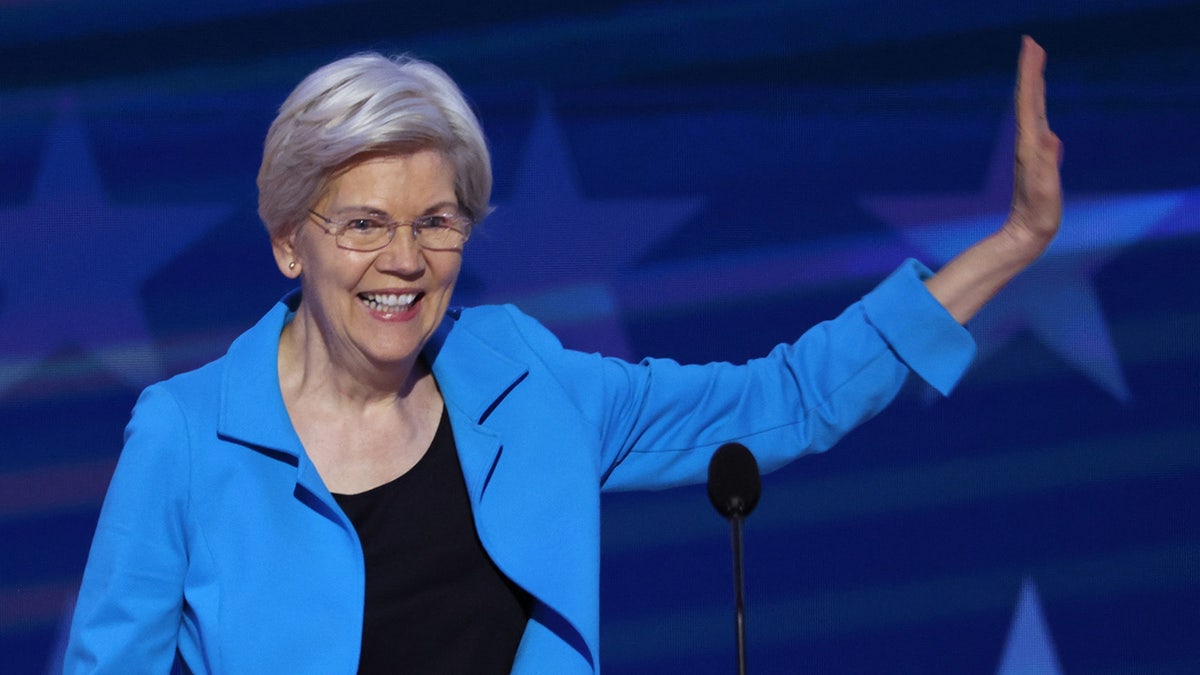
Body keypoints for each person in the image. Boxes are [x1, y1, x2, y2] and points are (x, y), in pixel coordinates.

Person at [64, 36, 1062, 674]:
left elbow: (787, 400)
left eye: (437, 222)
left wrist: (1011, 242)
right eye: (365, 223)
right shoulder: (188, 436)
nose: (404, 261)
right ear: (290, 240)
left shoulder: (528, 384)